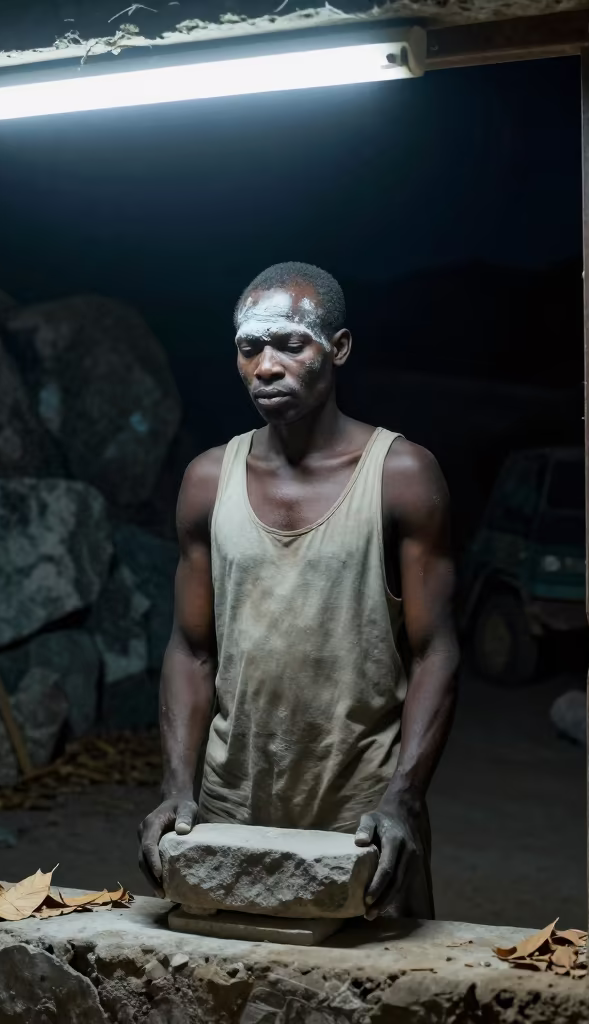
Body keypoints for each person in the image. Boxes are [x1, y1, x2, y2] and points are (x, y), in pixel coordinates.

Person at [138, 262, 459, 919]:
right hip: (229, 808)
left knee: (381, 976)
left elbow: (436, 652)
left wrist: (403, 797)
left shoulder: (401, 475)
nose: (266, 367)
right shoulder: (208, 481)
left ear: (337, 348)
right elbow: (190, 650)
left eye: (290, 344)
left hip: (364, 819)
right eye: (249, 348)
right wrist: (176, 787)